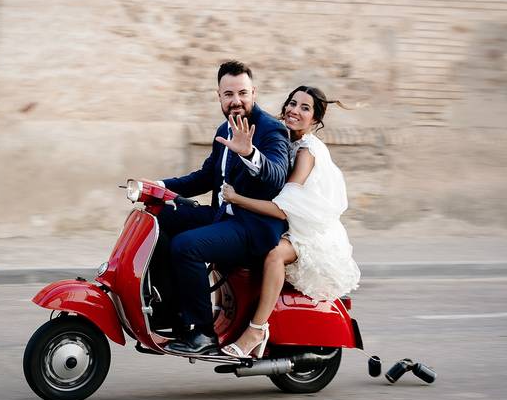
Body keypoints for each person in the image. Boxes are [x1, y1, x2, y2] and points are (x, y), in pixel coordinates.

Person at [155, 60, 290, 355]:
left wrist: (250, 153)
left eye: (242, 93)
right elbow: (205, 177)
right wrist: (157, 187)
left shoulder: (271, 130)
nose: (236, 101)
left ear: (254, 92)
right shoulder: (224, 129)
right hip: (224, 216)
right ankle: (172, 311)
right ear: (219, 96)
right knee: (159, 216)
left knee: (186, 246)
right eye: (228, 94)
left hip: (253, 228)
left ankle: (203, 334)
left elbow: (277, 174)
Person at [220, 85, 361, 358]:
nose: (294, 110)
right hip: (293, 225)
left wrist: (237, 199)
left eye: (305, 108)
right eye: (292, 103)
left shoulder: (307, 151)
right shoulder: (281, 137)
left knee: (274, 256)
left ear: (315, 120)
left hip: (311, 234)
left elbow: (285, 207)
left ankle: (256, 331)